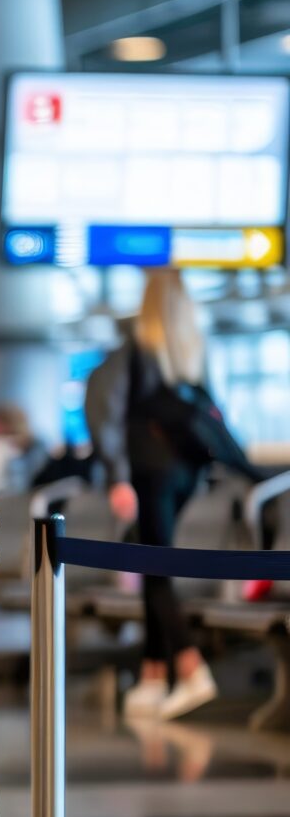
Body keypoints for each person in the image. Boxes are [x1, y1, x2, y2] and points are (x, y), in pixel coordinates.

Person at [85, 269, 268, 720]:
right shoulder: (190, 352)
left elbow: (105, 412)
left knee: (155, 567)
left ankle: (189, 668)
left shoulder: (136, 350)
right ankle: (151, 674)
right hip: (188, 472)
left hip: (149, 471)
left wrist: (117, 477)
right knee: (154, 561)